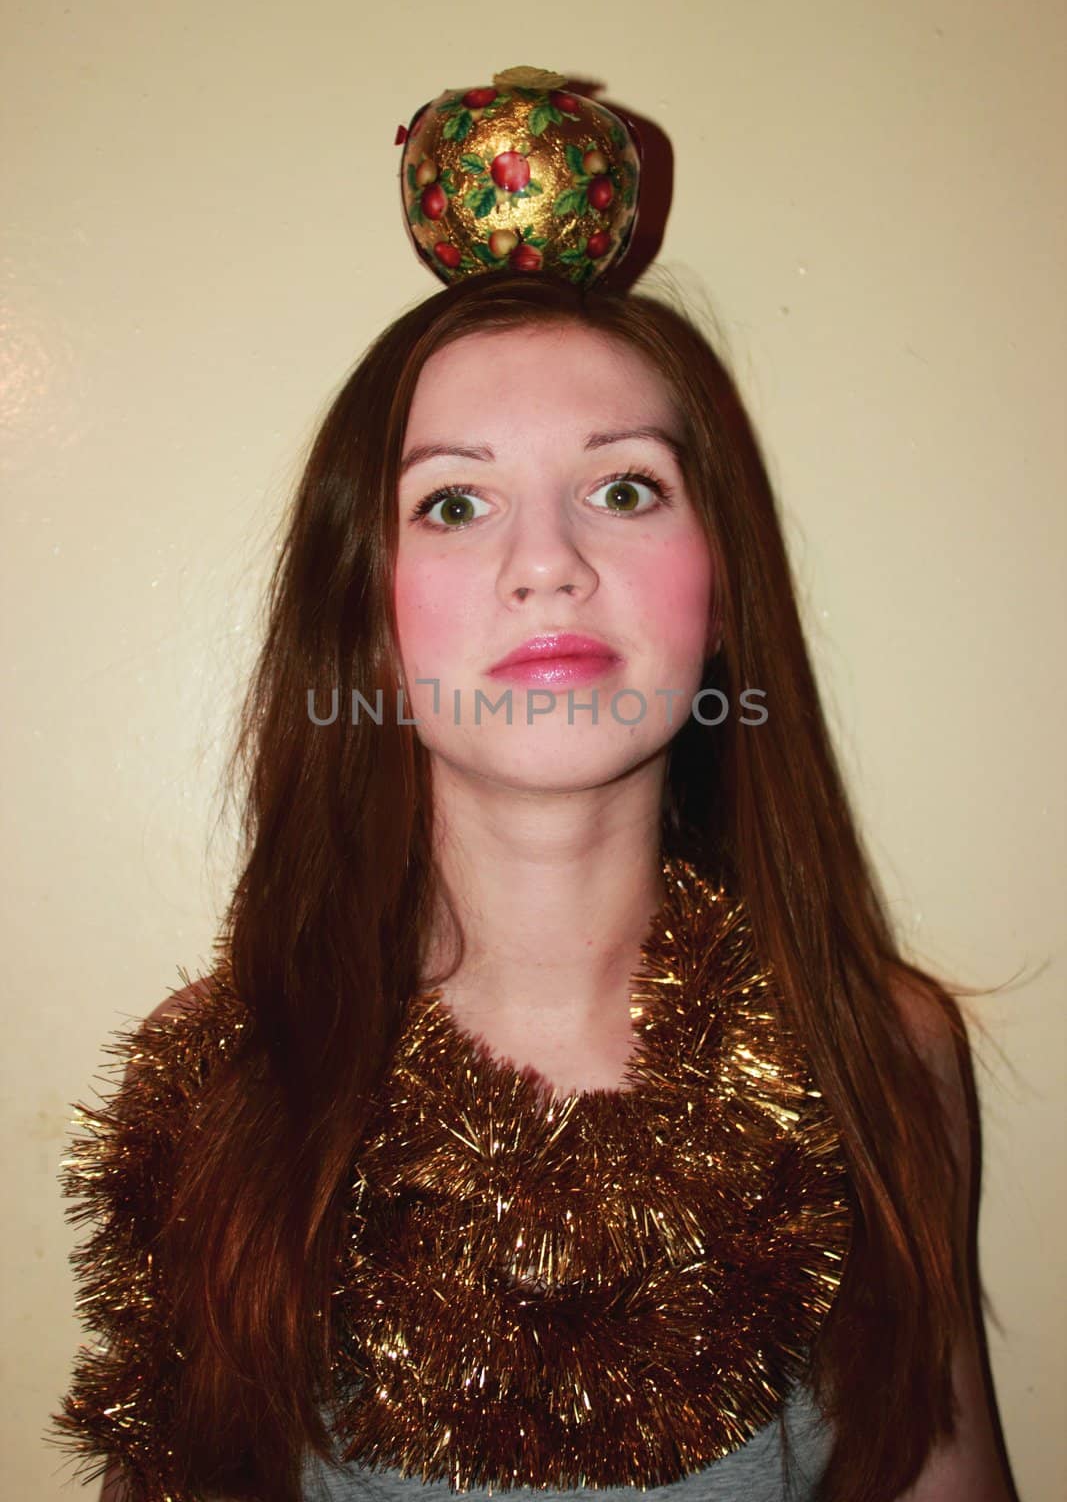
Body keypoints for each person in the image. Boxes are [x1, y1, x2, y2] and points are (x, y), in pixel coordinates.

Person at [52, 75, 1017, 1502]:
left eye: (624, 487)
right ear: (364, 614)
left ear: (724, 578)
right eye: (453, 501)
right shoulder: (221, 1080)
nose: (548, 560)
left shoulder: (882, 1049)